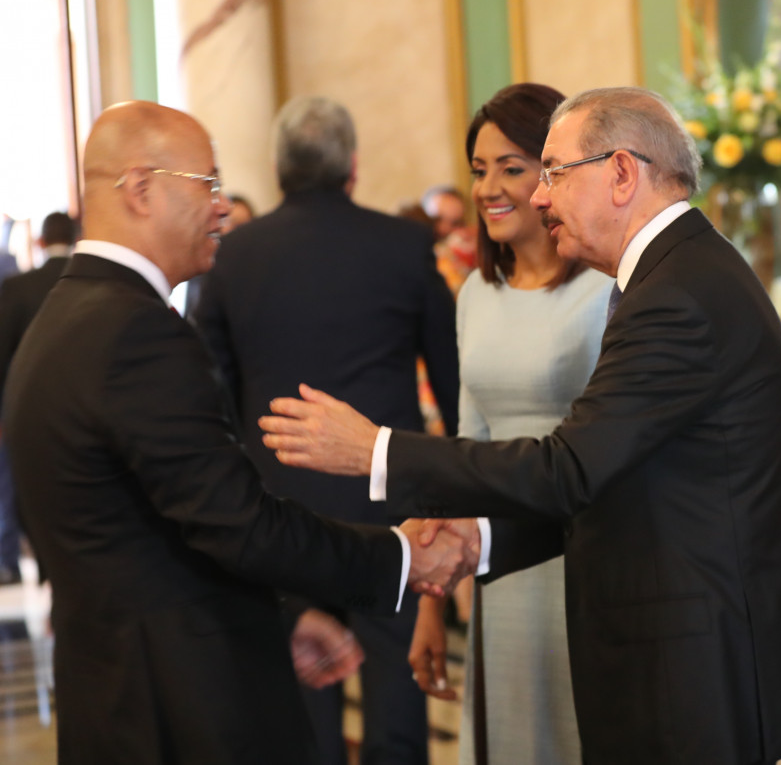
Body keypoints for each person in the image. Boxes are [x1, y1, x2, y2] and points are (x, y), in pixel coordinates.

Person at [261, 86, 781, 765]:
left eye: (553, 172)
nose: (538, 196)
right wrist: (479, 542)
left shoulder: (676, 295)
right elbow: (616, 481)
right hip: (680, 649)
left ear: (622, 173)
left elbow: (570, 468)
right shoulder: (673, 274)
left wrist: (375, 449)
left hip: (694, 662)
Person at [2, 101, 473, 765]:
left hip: (116, 696)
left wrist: (284, 616)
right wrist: (403, 556)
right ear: (140, 189)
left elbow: (157, 525)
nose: (222, 207)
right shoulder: (136, 332)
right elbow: (236, 522)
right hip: (179, 705)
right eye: (208, 184)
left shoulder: (65, 314)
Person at [194, 96, 460, 765]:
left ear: (278, 169)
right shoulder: (405, 247)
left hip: (277, 511)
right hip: (389, 511)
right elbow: (452, 382)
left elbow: (212, 396)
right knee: (397, 712)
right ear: (354, 166)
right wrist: (456, 497)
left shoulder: (233, 255)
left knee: (302, 712)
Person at [406, 83, 611, 765]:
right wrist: (432, 601)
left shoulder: (606, 290)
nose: (489, 188)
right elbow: (466, 452)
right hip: (498, 568)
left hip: (582, 562)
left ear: (553, 175)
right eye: (479, 169)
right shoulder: (475, 294)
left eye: (510, 167)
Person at [0, 211, 78, 581]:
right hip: (84, 412)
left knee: (26, 491)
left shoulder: (18, 288)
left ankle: (26, 564)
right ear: (75, 239)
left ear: (41, 241)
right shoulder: (89, 282)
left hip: (28, 414)